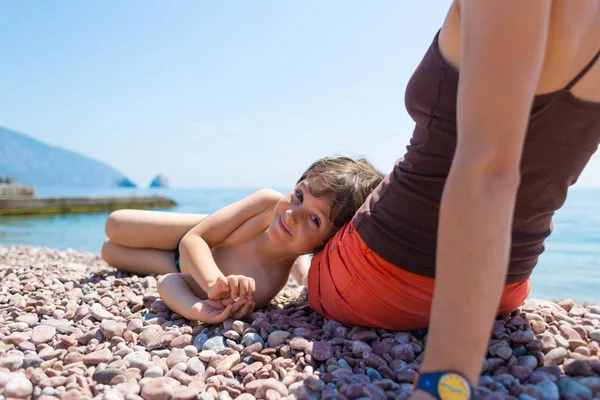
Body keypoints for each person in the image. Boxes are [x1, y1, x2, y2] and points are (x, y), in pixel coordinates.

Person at [307, 1, 600, 399]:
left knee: (284, 227)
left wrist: (444, 385)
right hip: (504, 287)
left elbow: (489, 174)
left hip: (372, 281)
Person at [101, 156, 384, 323]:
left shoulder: (262, 287)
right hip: (196, 233)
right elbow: (194, 240)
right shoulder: (268, 203)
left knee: (108, 253)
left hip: (177, 266)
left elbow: (170, 283)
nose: (293, 215)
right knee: (114, 224)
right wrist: (213, 282)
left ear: (323, 244)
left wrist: (198, 309)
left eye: (314, 220)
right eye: (299, 195)